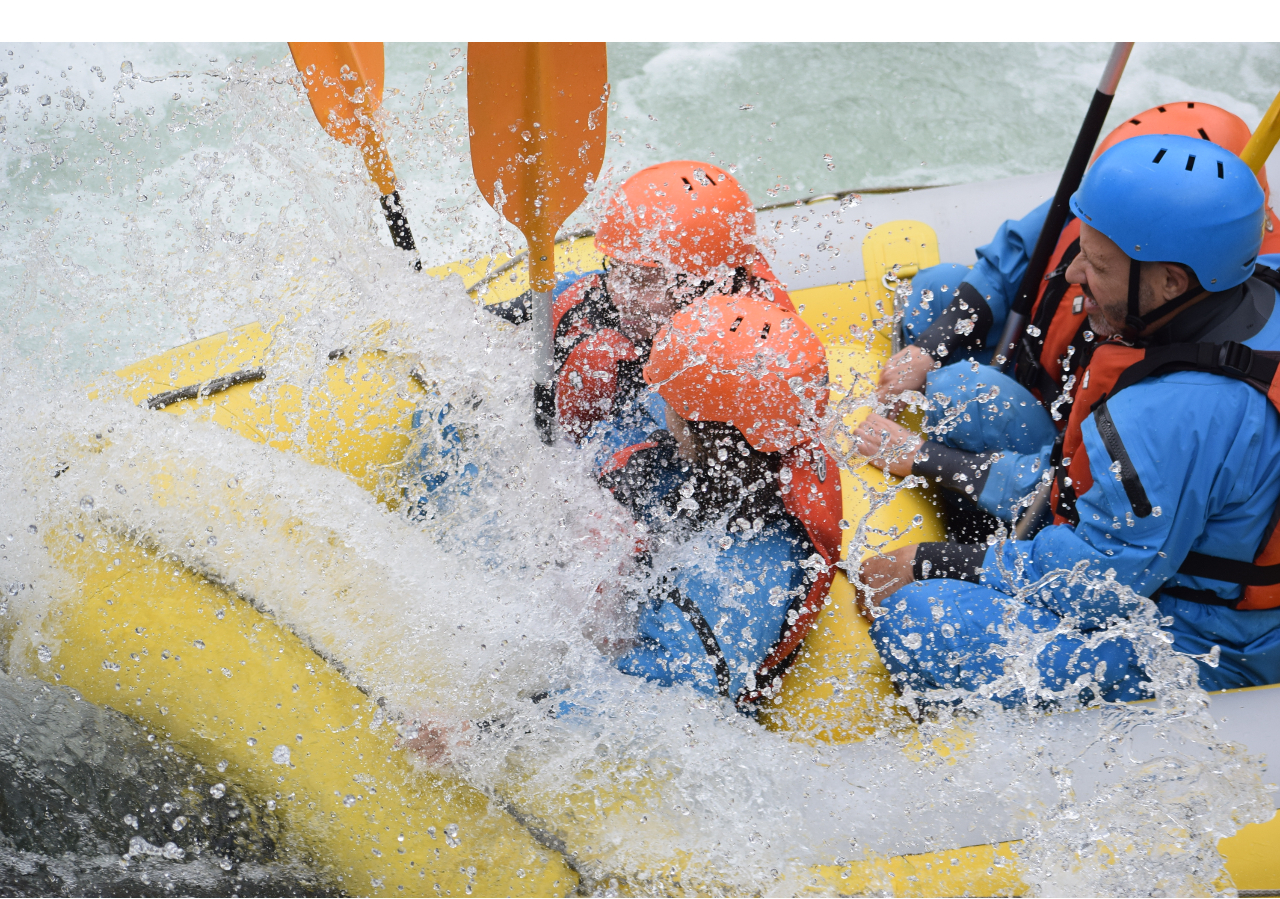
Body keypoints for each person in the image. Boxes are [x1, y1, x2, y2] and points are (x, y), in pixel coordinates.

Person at [858, 133, 1280, 707]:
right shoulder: (1258, 293)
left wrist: (930, 561)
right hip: (1184, 568)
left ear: (1172, 282)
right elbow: (1074, 490)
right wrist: (936, 463)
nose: (1076, 273)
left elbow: (1097, 584)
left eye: (1099, 265)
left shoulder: (1171, 411)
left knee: (922, 618)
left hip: (1206, 646)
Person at [858, 103, 1280, 528]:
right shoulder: (1110, 210)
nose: (1079, 267)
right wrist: (929, 350)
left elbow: (1106, 474)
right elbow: (1009, 260)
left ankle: (969, 520)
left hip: (1072, 453)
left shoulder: (1185, 296)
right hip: (1042, 377)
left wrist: (928, 459)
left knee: (965, 392)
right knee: (939, 288)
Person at [590, 292, 841, 709]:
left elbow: (666, 704)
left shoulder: (734, 582)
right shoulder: (759, 434)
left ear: (693, 424)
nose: (659, 398)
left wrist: (489, 730)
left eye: (668, 397)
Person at [487, 160, 794, 449]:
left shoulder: (748, 363)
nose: (621, 295)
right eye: (618, 268)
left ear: (714, 286)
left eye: (645, 280)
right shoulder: (588, 300)